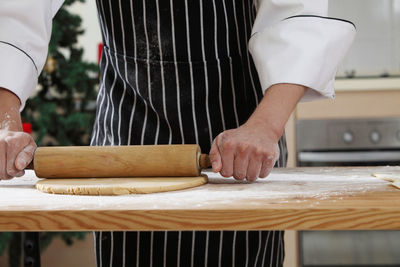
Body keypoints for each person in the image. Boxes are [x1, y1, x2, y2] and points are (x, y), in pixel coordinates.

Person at [0, 0, 355, 266]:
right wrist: (5, 124)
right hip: (128, 130)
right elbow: (15, 17)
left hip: (240, 135)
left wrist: (263, 127)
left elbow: (297, 18)